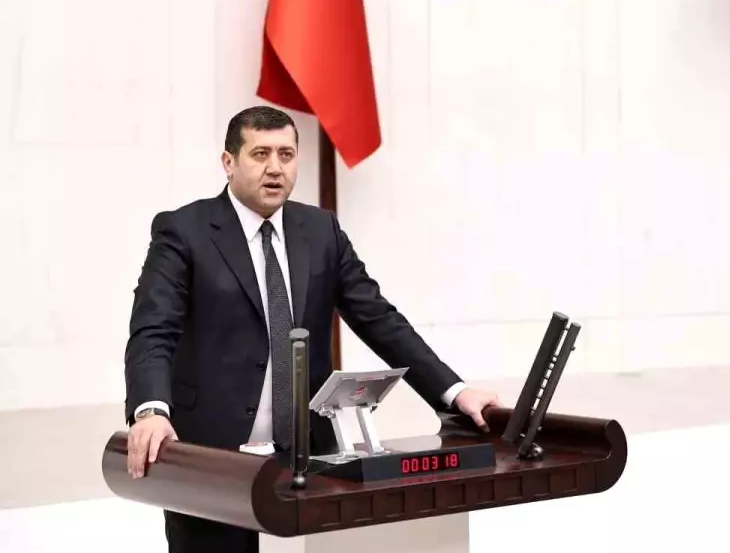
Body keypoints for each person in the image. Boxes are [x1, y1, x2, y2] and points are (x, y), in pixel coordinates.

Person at [123, 105, 500, 552]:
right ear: (229, 162)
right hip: (212, 458)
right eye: (260, 154)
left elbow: (379, 319)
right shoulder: (184, 231)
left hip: (310, 459)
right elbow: (153, 330)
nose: (275, 168)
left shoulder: (321, 230)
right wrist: (150, 410)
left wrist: (454, 391)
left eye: (286, 155)